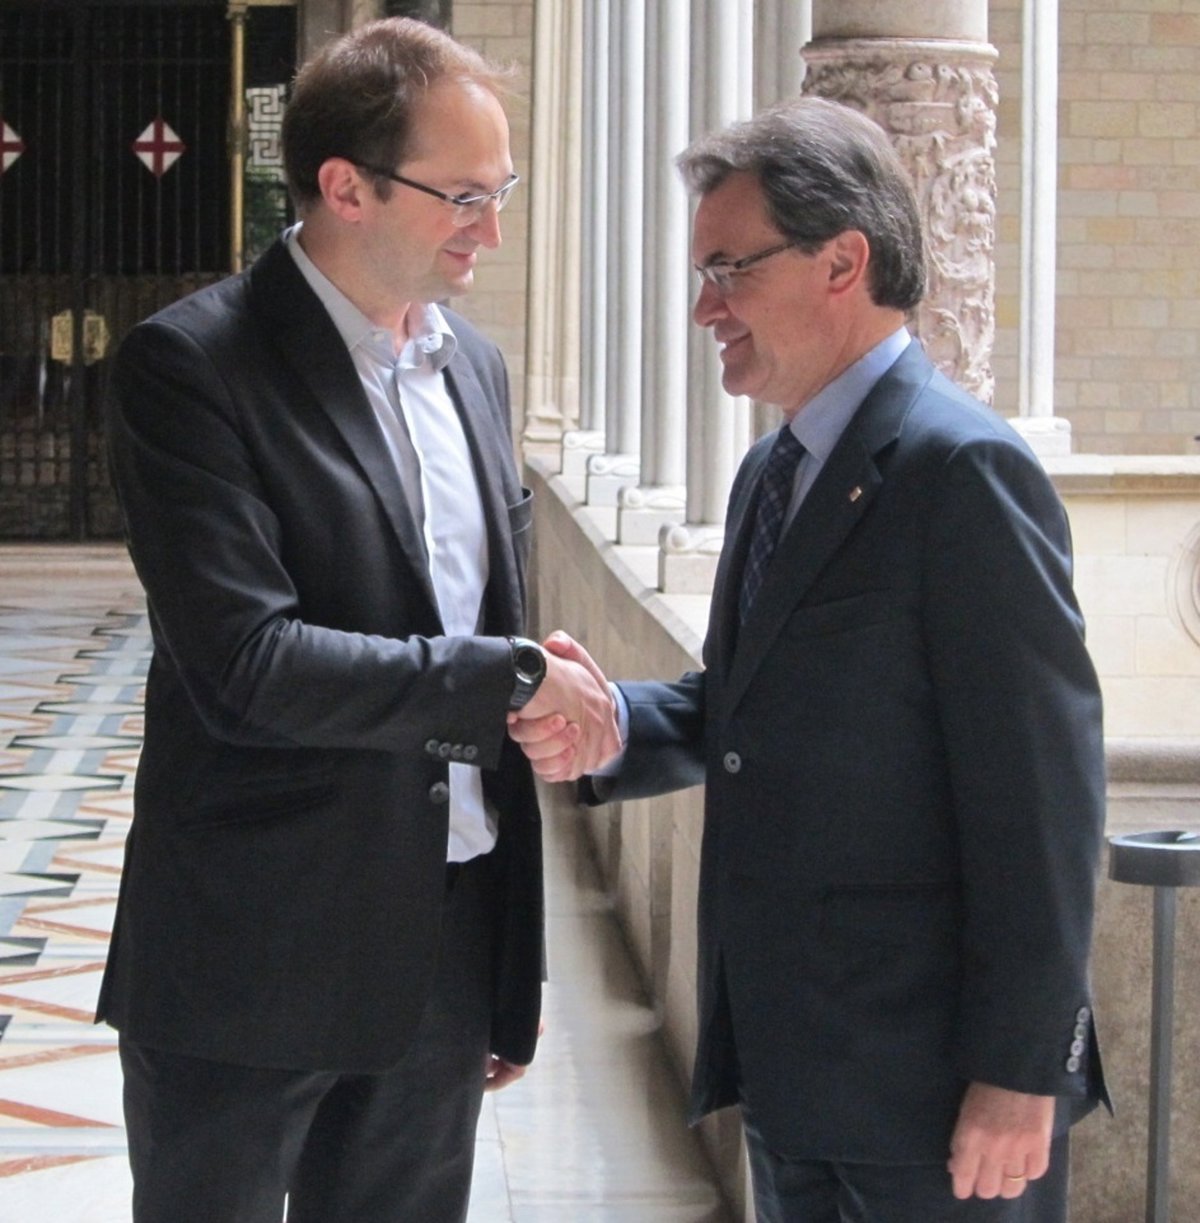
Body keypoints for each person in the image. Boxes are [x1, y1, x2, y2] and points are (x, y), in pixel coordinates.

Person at [511, 96, 1110, 1221]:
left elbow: (1044, 794)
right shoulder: (772, 471)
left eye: (729, 269)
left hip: (935, 1094)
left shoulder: (964, 473)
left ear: (843, 261)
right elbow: (752, 706)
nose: (705, 306)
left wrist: (1022, 1067)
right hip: (793, 1067)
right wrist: (615, 723)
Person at [99, 18, 617, 1223]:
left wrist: (503, 968)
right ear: (345, 186)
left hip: (441, 943)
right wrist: (506, 675)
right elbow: (247, 663)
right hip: (250, 949)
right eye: (465, 197)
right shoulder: (190, 367)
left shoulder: (476, 367)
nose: (491, 229)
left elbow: (471, 622)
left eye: (502, 192)